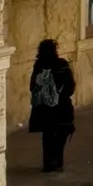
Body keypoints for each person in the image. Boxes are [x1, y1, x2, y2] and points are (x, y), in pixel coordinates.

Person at [28, 39, 75, 173]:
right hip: (61, 107)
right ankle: (58, 162)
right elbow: (70, 87)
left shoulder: (38, 65)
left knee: (47, 136)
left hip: (44, 109)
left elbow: (32, 87)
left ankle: (48, 164)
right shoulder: (62, 64)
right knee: (61, 134)